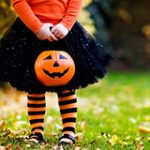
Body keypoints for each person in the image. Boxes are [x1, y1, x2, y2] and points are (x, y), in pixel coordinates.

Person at [0, 0, 112, 147]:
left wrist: (66, 25)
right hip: (31, 33)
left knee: (66, 86)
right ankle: (36, 131)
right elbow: (19, 2)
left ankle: (69, 131)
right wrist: (37, 27)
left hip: (64, 31)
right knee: (34, 87)